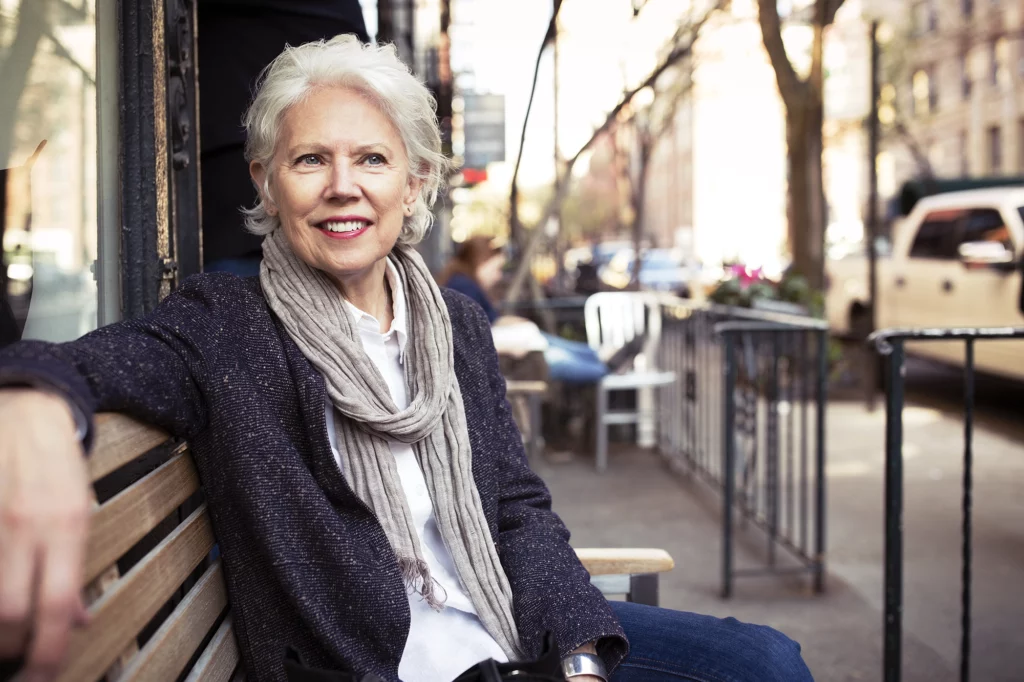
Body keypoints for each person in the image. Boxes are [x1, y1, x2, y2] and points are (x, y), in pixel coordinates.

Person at [0, 36, 814, 682]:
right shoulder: (228, 327)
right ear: (267, 181)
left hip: (510, 631)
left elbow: (518, 510)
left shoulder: (455, 325)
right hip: (375, 663)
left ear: (415, 182)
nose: (342, 186)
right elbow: (97, 361)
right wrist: (31, 399)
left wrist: (577, 655)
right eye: (311, 159)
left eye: (373, 160)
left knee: (770, 661)